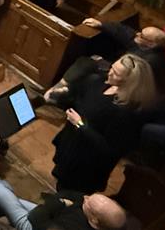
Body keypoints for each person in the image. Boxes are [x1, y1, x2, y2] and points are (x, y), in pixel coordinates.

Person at [47, 54, 157, 193]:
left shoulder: (128, 112)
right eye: (112, 68)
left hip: (87, 163)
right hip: (72, 146)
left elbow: (110, 149)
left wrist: (80, 125)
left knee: (70, 193)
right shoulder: (102, 82)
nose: (110, 72)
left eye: (116, 73)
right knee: (61, 183)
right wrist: (63, 95)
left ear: (129, 82)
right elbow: (81, 99)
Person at [0, 162, 127, 230]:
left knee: (1, 193)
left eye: (89, 203)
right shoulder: (106, 221)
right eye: (90, 196)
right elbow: (72, 196)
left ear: (94, 220)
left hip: (34, 225)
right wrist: (60, 202)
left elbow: (35, 218)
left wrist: (60, 203)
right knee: (10, 202)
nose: (85, 198)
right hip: (50, 217)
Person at [81, 17, 165, 79]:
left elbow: (124, 74)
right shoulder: (145, 44)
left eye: (142, 35)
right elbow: (124, 32)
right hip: (117, 72)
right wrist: (101, 24)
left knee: (88, 71)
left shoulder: (148, 61)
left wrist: (101, 62)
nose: (137, 34)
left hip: (124, 83)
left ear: (151, 44)